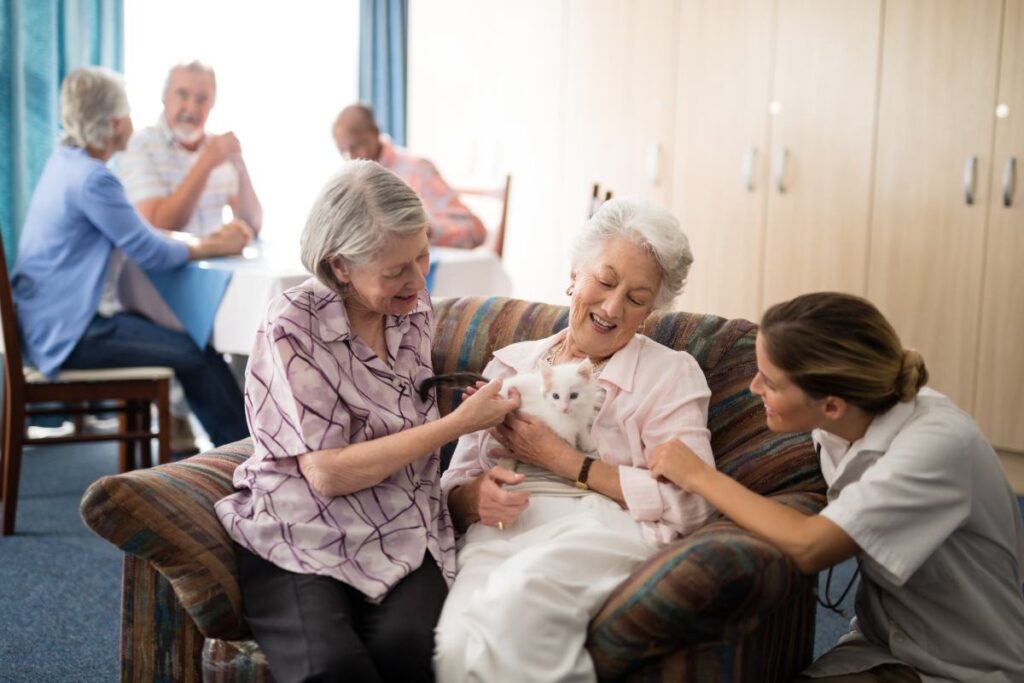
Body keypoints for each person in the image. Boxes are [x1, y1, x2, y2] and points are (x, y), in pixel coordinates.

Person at [215, 160, 519, 683]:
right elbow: (327, 474)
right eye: (396, 269)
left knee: (410, 648)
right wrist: (459, 423)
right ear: (340, 267)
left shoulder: (414, 310)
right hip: (302, 522)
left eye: (421, 257)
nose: (417, 280)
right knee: (330, 668)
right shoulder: (292, 324)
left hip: (402, 519)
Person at [648, 292, 1024, 682]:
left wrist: (698, 476)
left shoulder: (937, 446)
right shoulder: (837, 425)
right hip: (879, 643)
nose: (754, 387)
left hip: (965, 666)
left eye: (771, 382)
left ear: (830, 405)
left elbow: (810, 546)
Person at [433, 198, 716, 682]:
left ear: (653, 308)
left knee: (519, 600)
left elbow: (692, 503)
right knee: (453, 648)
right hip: (499, 530)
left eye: (636, 297)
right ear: (574, 273)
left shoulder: (671, 373)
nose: (611, 307)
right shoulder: (510, 364)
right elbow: (450, 489)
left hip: (599, 526)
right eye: (605, 282)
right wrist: (473, 498)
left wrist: (569, 463)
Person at [11, 66, 251, 447]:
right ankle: (248, 459)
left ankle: (237, 455)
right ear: (115, 123)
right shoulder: (95, 179)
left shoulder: (65, 163)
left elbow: (141, 238)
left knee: (188, 341)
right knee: (193, 348)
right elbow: (151, 251)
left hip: (47, 324)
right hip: (74, 333)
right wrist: (215, 246)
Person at [117, 60, 262, 237]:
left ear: (213, 103)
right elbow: (157, 226)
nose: (192, 108)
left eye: (202, 99)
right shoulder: (140, 144)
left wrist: (240, 165)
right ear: (165, 96)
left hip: (217, 262)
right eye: (182, 95)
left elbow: (252, 225)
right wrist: (206, 162)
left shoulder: (218, 148)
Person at [332, 103, 486, 249]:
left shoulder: (418, 170)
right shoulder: (348, 183)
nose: (350, 157)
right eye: (342, 151)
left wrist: (421, 229)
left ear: (375, 132)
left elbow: (475, 231)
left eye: (357, 146)